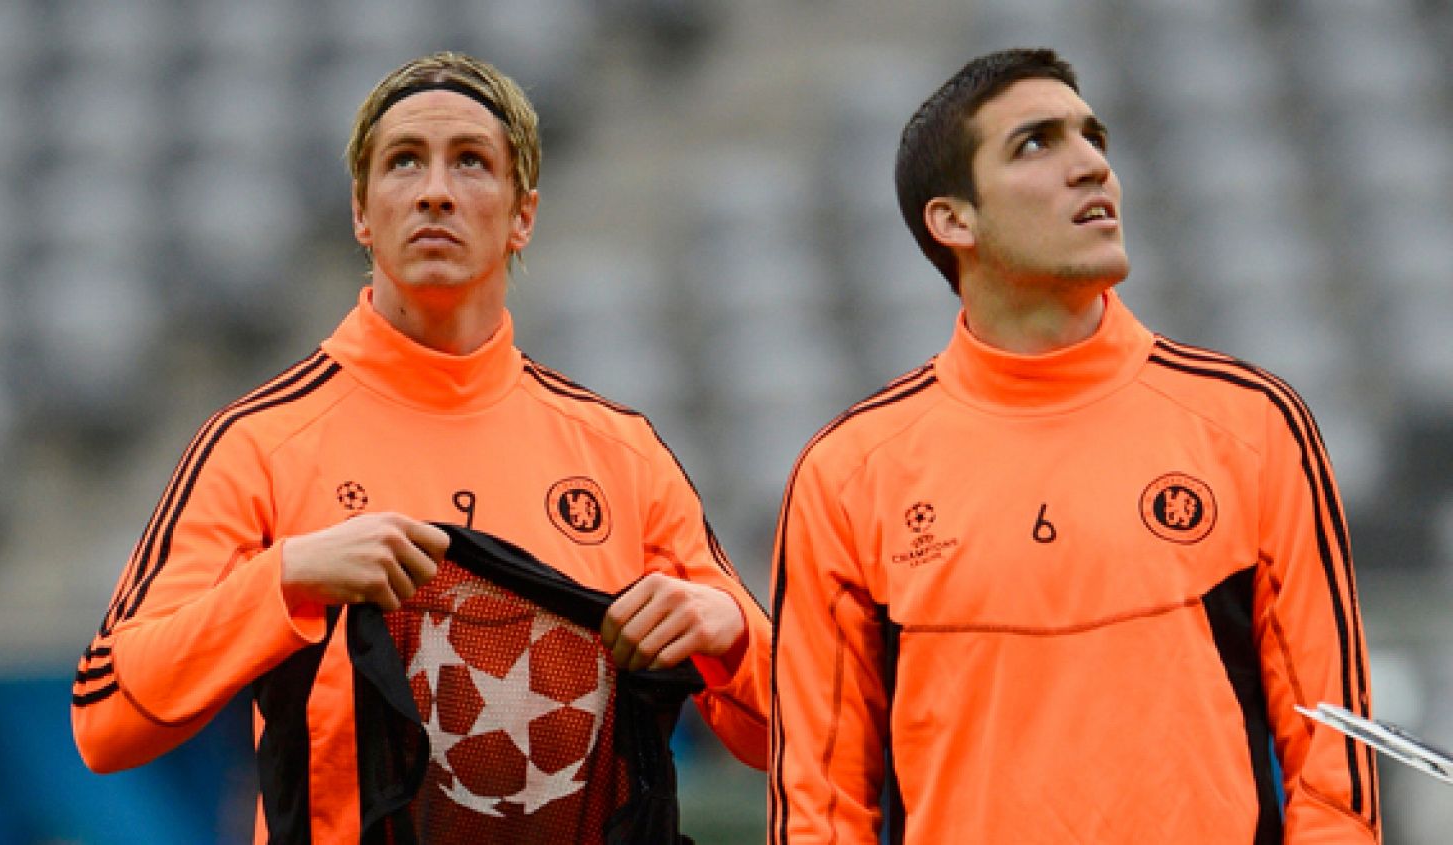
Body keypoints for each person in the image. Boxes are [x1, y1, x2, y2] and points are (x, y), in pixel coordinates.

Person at [72, 51, 769, 842]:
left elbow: (789, 732)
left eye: (471, 162)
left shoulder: (622, 454)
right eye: (405, 161)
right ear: (363, 214)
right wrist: (286, 576)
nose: (436, 189)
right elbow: (105, 720)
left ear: (522, 216)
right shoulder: (258, 442)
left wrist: (732, 634)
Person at [767, 47, 1379, 843]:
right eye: (1037, 143)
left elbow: (1336, 768)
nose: (1092, 166)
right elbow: (819, 803)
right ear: (954, 221)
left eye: (1095, 139)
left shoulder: (1253, 426)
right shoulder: (850, 474)